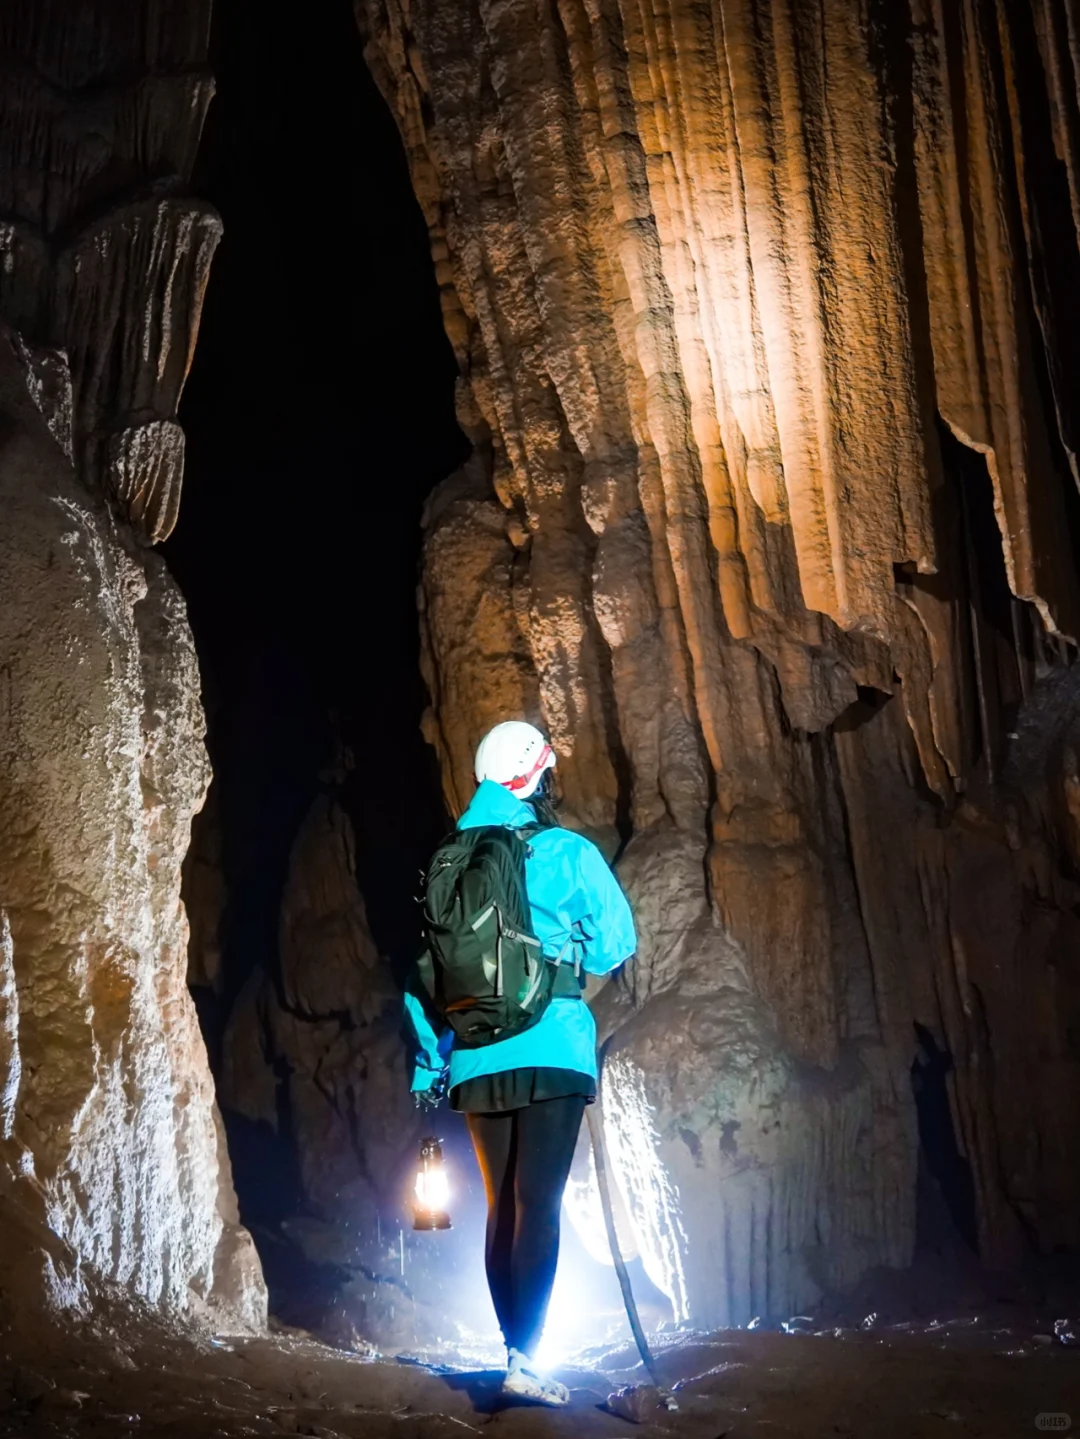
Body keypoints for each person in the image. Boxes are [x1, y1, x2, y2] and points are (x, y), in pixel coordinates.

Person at [405, 720, 636, 1406]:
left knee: (502, 1205)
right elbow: (616, 940)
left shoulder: (450, 858)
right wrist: (568, 962)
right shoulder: (564, 850)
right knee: (540, 1202)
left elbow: (426, 975)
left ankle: (514, 1350)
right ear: (534, 776)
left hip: (476, 1058)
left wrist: (429, 1064)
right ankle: (524, 1359)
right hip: (552, 1044)